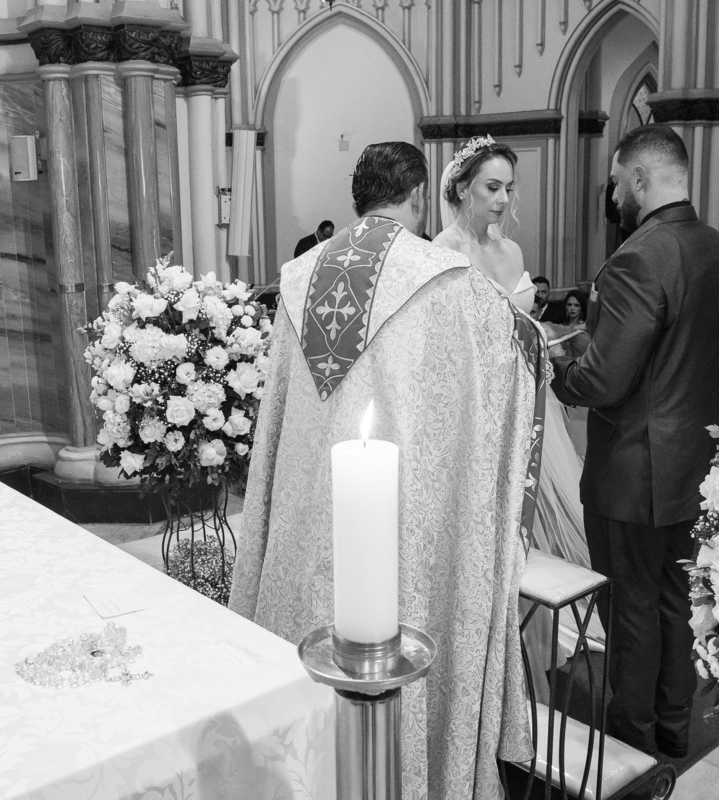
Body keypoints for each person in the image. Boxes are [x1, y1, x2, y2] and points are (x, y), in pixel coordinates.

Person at [231, 141, 540, 800]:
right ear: (421, 196)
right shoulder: (450, 280)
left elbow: (280, 410)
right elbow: (502, 376)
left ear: (359, 197)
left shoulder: (299, 275)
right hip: (397, 531)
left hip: (308, 516)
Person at [550, 123, 719, 758]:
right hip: (697, 467)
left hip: (633, 471)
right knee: (675, 604)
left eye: (616, 182)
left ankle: (630, 743)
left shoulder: (638, 256)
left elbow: (604, 381)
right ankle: (673, 727)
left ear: (640, 177)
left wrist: (554, 364)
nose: (613, 196)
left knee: (630, 608)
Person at [433, 134, 597, 660]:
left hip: (525, 393)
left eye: (509, 187)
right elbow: (445, 343)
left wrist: (540, 338)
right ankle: (493, 632)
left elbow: (520, 324)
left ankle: (540, 629)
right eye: (491, 187)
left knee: (538, 506)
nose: (503, 199)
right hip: (477, 404)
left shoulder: (513, 251)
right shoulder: (443, 251)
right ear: (462, 188)